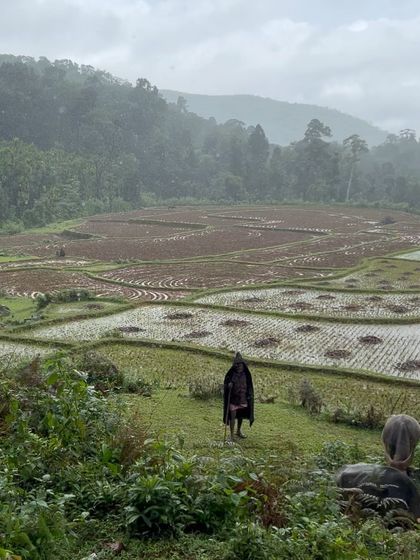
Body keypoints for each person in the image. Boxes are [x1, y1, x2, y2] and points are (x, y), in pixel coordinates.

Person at [223, 352, 254, 442]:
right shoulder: (231, 374)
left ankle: (238, 431)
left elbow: (249, 387)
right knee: (232, 417)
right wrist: (228, 386)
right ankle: (231, 435)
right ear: (235, 366)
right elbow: (226, 384)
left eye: (240, 366)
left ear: (243, 366)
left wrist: (249, 396)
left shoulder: (246, 375)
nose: (239, 367)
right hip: (233, 399)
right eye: (237, 366)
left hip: (243, 398)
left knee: (240, 416)